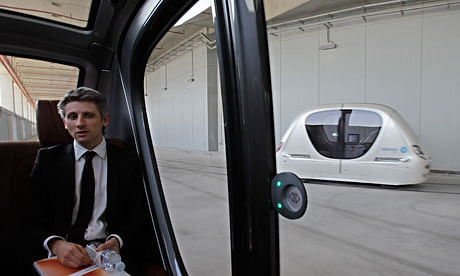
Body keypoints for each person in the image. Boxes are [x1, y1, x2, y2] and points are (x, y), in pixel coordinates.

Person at [26, 87, 160, 275]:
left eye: (88, 116)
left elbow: (138, 214)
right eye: (72, 117)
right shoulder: (47, 160)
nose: (80, 123)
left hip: (110, 253)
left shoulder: (128, 161)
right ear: (64, 122)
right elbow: (30, 216)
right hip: (61, 252)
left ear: (105, 120)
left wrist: (118, 240)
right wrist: (55, 244)